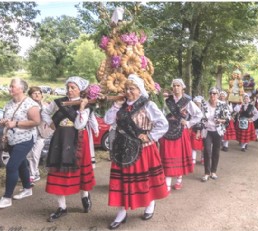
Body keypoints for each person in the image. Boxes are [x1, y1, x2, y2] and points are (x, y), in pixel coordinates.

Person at [104, 74, 169, 230]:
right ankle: (121, 212)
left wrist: (150, 136)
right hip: (122, 149)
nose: (128, 91)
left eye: (132, 88)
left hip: (143, 149)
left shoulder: (148, 105)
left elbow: (163, 124)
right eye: (127, 88)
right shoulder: (122, 105)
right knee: (122, 182)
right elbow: (107, 121)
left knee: (146, 180)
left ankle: (150, 204)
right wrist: (116, 105)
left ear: (139, 90)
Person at [42, 76, 97, 222]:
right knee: (59, 171)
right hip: (60, 139)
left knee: (81, 171)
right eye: (68, 87)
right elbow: (45, 113)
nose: (70, 90)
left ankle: (85, 196)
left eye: (73, 88)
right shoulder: (59, 102)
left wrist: (81, 108)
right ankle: (62, 207)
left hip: (78, 140)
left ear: (80, 89)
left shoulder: (86, 105)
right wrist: (52, 125)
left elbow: (80, 125)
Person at [0, 78, 41, 209]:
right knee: (21, 164)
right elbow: (8, 118)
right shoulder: (8, 104)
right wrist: (4, 122)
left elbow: (36, 121)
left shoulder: (30, 104)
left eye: (12, 86)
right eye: (10, 86)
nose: (10, 88)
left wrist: (17, 123)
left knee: (11, 166)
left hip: (25, 139)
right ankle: (27, 188)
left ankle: (7, 198)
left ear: (21, 89)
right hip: (12, 138)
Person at [159, 79, 202, 191]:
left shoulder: (187, 101)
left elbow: (198, 114)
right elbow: (162, 114)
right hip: (168, 131)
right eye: (174, 86)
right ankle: (167, 183)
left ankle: (178, 180)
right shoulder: (167, 101)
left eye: (178, 85)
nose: (176, 88)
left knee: (179, 156)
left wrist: (188, 123)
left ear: (183, 87)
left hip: (180, 131)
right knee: (168, 156)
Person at [200, 87, 230, 182]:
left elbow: (228, 118)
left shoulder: (223, 105)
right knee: (207, 151)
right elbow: (200, 117)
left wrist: (220, 120)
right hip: (207, 130)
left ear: (218, 95)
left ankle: (213, 171)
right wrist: (198, 130)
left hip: (218, 131)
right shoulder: (204, 104)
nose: (212, 95)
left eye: (215, 93)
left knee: (216, 151)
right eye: (211, 93)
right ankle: (206, 173)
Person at [26, 86, 53, 183]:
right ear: (30, 95)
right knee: (29, 154)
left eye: (39, 93)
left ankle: (33, 174)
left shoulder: (45, 105)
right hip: (29, 132)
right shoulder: (27, 106)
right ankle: (34, 173)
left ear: (41, 95)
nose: (37, 95)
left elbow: (50, 116)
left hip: (41, 133)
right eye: (34, 93)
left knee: (35, 154)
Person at [191, 96, 205, 164]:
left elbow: (202, 121)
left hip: (202, 131)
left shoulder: (203, 112)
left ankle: (203, 158)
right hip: (193, 130)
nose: (197, 105)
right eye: (195, 103)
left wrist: (199, 131)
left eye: (198, 104)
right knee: (193, 146)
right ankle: (193, 159)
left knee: (203, 146)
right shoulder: (191, 112)